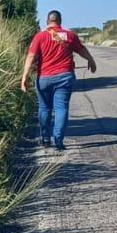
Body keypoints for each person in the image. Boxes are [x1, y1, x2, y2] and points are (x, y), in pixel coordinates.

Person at [21, 10, 97, 152]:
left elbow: (31, 56)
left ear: (47, 21)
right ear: (60, 21)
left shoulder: (40, 36)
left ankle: (45, 139)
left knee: (44, 108)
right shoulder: (70, 35)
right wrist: (91, 60)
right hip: (64, 77)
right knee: (61, 108)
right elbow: (81, 49)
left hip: (44, 78)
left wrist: (24, 76)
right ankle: (58, 141)